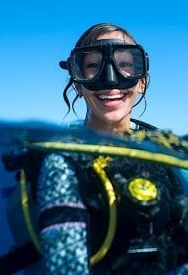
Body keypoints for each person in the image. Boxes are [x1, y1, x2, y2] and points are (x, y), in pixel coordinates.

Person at [2, 23, 188, 275]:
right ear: (78, 84)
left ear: (141, 81)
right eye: (92, 66)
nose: (111, 80)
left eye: (125, 65)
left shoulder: (170, 157)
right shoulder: (63, 160)